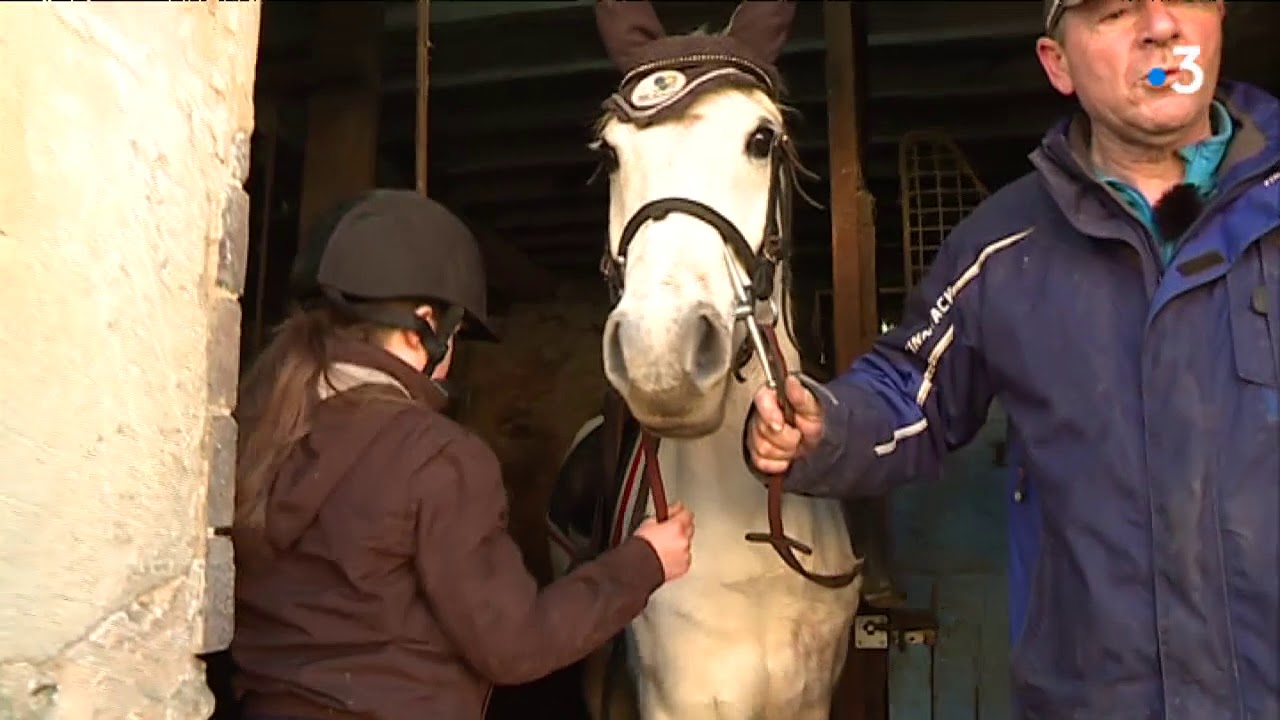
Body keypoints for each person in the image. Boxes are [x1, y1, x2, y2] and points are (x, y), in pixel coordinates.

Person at [747, 1, 1278, 718]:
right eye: (1116, 10)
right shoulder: (1001, 247)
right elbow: (911, 394)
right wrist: (822, 428)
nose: (1159, 27)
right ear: (1058, 65)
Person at [230, 189, 695, 720]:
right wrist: (644, 563)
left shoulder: (259, 430)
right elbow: (516, 645)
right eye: (456, 337)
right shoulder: (437, 457)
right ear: (425, 325)